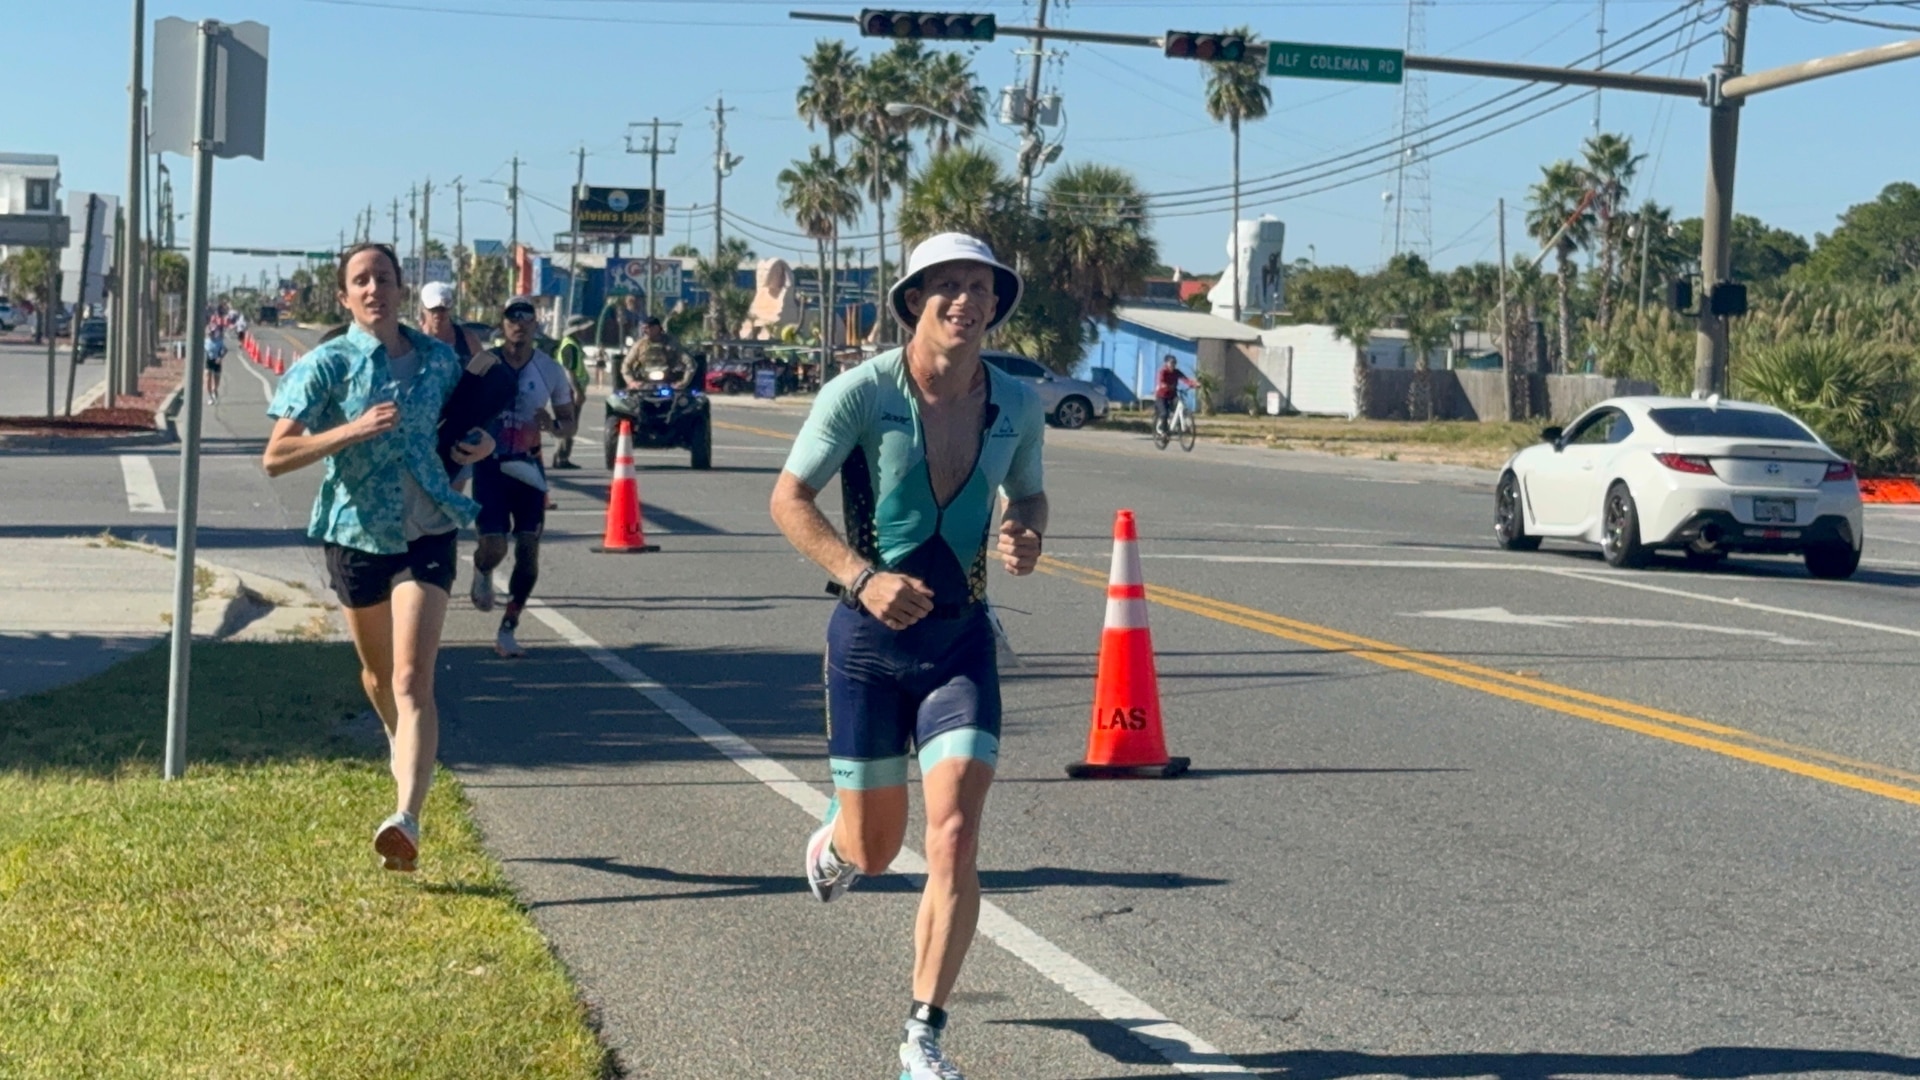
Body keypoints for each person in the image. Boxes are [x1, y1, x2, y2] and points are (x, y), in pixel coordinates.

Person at [769, 232, 1047, 1080]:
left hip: (962, 643)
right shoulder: (859, 393)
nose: (965, 301)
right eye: (945, 288)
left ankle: (922, 1033)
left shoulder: (1019, 402)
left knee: (956, 833)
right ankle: (839, 840)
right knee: (880, 850)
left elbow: (1028, 487)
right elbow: (788, 499)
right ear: (913, 304)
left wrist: (1027, 528)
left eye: (980, 288)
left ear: (997, 304)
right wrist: (860, 578)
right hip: (867, 647)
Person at [261, 242, 498, 873]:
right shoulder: (327, 365)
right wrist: (349, 430)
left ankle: (407, 818)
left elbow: (464, 424)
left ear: (400, 290)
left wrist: (482, 443)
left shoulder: (439, 361)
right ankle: (400, 742)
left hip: (427, 528)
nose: (374, 290)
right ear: (344, 296)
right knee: (376, 679)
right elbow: (276, 457)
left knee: (409, 678)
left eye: (384, 279)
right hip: (357, 533)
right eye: (361, 281)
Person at [469, 295, 578, 658]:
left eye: (525, 318)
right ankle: (482, 568)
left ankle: (509, 627)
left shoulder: (549, 369)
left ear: (535, 325)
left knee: (529, 550)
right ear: (502, 324)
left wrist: (554, 425)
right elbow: (459, 408)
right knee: (496, 546)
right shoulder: (484, 363)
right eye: (512, 318)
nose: (518, 324)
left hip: (529, 466)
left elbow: (568, 423)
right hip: (490, 464)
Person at [551, 315, 593, 468]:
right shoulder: (570, 346)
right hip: (568, 391)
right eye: (583, 329)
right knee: (569, 424)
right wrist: (578, 391)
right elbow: (570, 371)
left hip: (566, 390)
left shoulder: (572, 344)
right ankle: (562, 458)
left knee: (567, 423)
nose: (585, 332)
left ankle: (560, 457)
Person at [621, 315, 690, 391]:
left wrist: (683, 382)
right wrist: (631, 382)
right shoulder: (639, 345)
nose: (645, 331)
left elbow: (690, 363)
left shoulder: (671, 343)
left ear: (657, 328)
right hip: (643, 384)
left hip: (669, 383)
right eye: (644, 328)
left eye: (648, 328)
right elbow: (626, 365)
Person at [1154, 353, 1196, 435]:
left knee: (1181, 407)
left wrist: (1193, 384)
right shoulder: (1163, 372)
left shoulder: (1176, 372)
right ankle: (1163, 431)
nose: (1173, 365)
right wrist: (1164, 385)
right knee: (1164, 413)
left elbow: (1185, 379)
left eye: (1174, 363)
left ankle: (1180, 426)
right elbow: (1161, 381)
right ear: (1166, 363)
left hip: (1172, 395)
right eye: (1171, 363)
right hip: (1162, 396)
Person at [204, 323, 227, 405]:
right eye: (209, 333)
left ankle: (215, 389)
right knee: (207, 377)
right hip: (208, 361)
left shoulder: (219, 341)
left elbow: (225, 350)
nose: (211, 334)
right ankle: (210, 396)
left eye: (212, 332)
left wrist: (220, 357)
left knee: (217, 380)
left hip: (217, 361)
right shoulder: (205, 341)